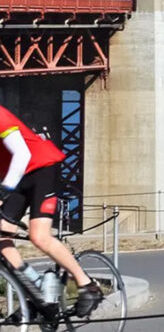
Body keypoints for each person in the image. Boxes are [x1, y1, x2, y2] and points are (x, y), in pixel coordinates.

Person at [0, 105, 102, 316]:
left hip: (41, 167)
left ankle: (87, 285)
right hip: (16, 177)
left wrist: (2, 193)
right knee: (1, 235)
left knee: (39, 236)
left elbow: (21, 154)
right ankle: (36, 291)